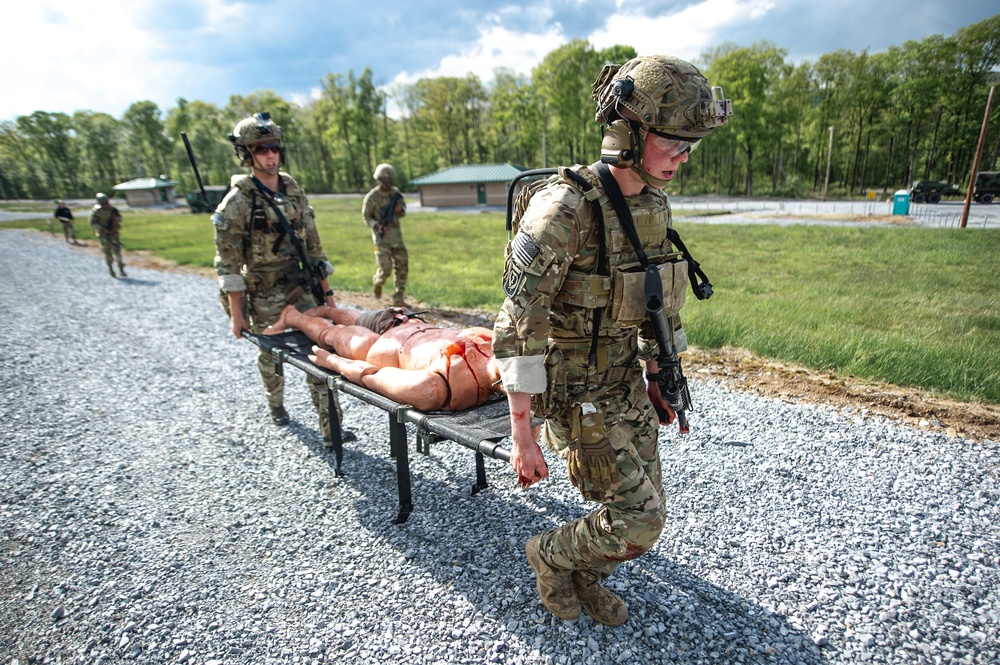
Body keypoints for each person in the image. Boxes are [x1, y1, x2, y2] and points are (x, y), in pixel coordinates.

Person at [492, 55, 732, 626]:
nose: (682, 158)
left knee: (647, 509)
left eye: (690, 146)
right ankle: (548, 556)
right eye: (673, 142)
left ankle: (587, 572)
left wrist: (659, 376)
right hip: (577, 393)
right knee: (639, 519)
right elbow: (520, 319)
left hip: (625, 381)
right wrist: (521, 432)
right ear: (629, 132)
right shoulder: (563, 209)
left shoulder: (652, 202)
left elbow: (656, 299)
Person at [212, 112, 353, 446]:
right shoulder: (238, 202)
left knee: (320, 351)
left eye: (273, 147)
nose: (270, 155)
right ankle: (275, 405)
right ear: (247, 154)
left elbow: (315, 248)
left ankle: (331, 430)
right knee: (271, 355)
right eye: (261, 149)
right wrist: (236, 313)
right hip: (263, 294)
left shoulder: (294, 192)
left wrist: (328, 299)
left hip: (301, 287)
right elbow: (228, 264)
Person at [264, 305, 502, 411]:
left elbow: (374, 377)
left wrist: (333, 362)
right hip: (405, 323)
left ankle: (291, 316)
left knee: (331, 333)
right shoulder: (497, 342)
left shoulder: (438, 388)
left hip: (375, 348)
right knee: (349, 315)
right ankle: (325, 308)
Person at [362, 163, 408, 307]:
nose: (389, 182)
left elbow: (403, 210)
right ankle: (378, 282)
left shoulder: (395, 194)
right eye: (386, 180)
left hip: (396, 238)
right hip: (382, 239)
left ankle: (398, 298)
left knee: (402, 267)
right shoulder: (372, 197)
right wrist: (377, 225)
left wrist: (398, 211)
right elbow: (366, 217)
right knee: (386, 268)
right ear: (380, 179)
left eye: (391, 180)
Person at [89, 193, 125, 277]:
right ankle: (111, 269)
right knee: (107, 252)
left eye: (106, 202)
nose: (106, 204)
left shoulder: (113, 210)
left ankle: (121, 269)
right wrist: (102, 229)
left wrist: (116, 221)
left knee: (117, 251)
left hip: (114, 233)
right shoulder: (96, 211)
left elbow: (119, 217)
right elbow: (92, 223)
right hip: (103, 235)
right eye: (103, 203)